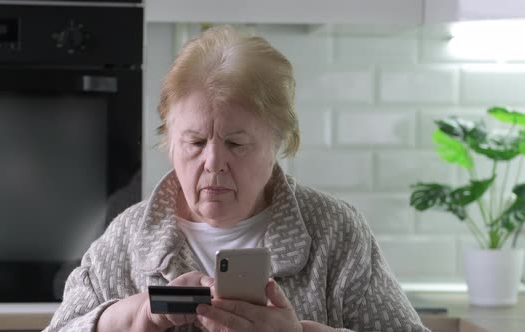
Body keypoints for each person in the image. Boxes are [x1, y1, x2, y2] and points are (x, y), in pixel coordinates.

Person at [44, 25, 430, 332]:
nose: (213, 162)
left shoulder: (334, 233)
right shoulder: (127, 240)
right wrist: (130, 318)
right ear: (169, 143)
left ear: (280, 141)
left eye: (236, 143)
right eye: (195, 142)